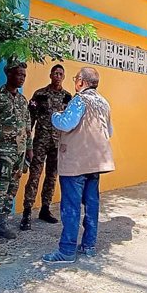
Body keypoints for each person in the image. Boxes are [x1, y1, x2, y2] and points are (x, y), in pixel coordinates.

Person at [42, 67, 115, 264]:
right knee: (91, 205)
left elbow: (66, 123)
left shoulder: (80, 100)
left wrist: (55, 115)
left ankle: (66, 251)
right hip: (95, 162)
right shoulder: (103, 102)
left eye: (76, 79)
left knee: (71, 206)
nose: (75, 82)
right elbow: (109, 131)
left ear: (81, 81)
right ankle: (89, 246)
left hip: (76, 163)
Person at [0, 60, 32, 249]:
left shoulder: (22, 100)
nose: (21, 79)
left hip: (19, 154)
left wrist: (29, 150)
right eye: (18, 74)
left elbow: (27, 127)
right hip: (1, 154)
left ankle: (2, 224)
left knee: (11, 192)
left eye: (24, 76)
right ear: (9, 74)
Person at [20, 64, 72, 230]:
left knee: (51, 177)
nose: (57, 76)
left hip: (58, 144)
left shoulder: (67, 97)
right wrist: (28, 143)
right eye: (55, 73)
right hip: (40, 142)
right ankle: (27, 212)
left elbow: (69, 123)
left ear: (63, 77)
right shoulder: (40, 94)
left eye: (60, 74)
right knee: (34, 176)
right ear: (50, 75)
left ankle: (45, 209)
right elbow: (30, 120)